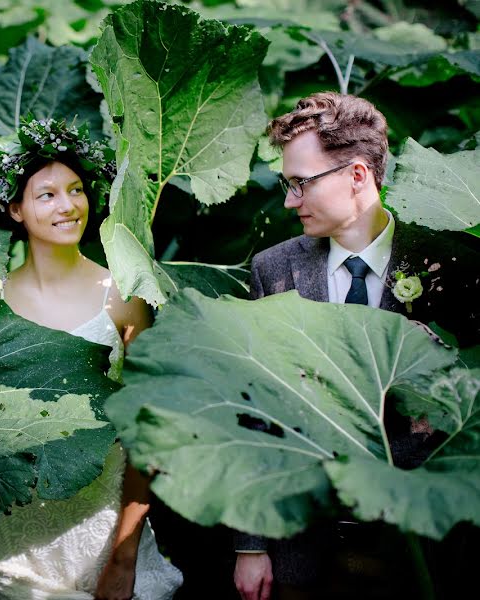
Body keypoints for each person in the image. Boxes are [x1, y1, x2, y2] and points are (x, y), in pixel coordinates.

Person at [235, 92, 479, 600]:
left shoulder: (449, 267)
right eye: (287, 184)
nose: (289, 200)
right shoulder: (274, 269)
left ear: (358, 175)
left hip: (422, 549)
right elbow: (252, 409)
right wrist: (250, 545)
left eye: (301, 183)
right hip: (303, 547)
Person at [0, 117, 184, 600]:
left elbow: (146, 432)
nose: (68, 206)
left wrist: (124, 556)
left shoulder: (122, 296)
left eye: (75, 190)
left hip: (106, 532)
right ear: (15, 210)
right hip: (15, 544)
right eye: (46, 195)